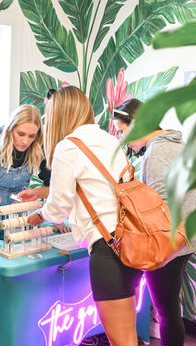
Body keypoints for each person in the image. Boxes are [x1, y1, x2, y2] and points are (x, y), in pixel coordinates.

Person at [25, 86, 142, 346]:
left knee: (121, 341)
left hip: (107, 249)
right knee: (128, 337)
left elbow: (58, 208)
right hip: (130, 242)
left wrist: (39, 215)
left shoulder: (68, 148)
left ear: (59, 114)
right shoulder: (110, 140)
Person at [112, 98, 196, 346]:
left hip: (168, 243)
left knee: (167, 312)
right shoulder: (180, 144)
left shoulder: (156, 153)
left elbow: (158, 209)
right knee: (171, 308)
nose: (123, 139)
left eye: (122, 131)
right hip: (188, 238)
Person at [0, 104, 69, 235]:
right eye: (21, 134)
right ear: (10, 129)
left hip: (20, 212)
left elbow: (53, 186)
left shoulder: (39, 149)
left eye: (31, 136)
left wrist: (55, 218)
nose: (25, 141)